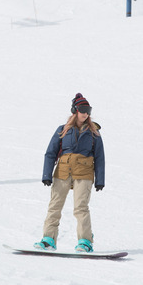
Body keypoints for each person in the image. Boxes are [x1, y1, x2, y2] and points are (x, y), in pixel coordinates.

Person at [34, 93, 105, 253]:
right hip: (63, 171)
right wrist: (46, 174)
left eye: (88, 110)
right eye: (82, 109)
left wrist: (100, 179)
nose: (85, 113)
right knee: (55, 206)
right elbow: (50, 153)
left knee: (81, 208)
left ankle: (85, 241)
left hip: (84, 173)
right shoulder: (63, 130)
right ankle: (48, 239)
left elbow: (100, 157)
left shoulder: (94, 133)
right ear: (75, 111)